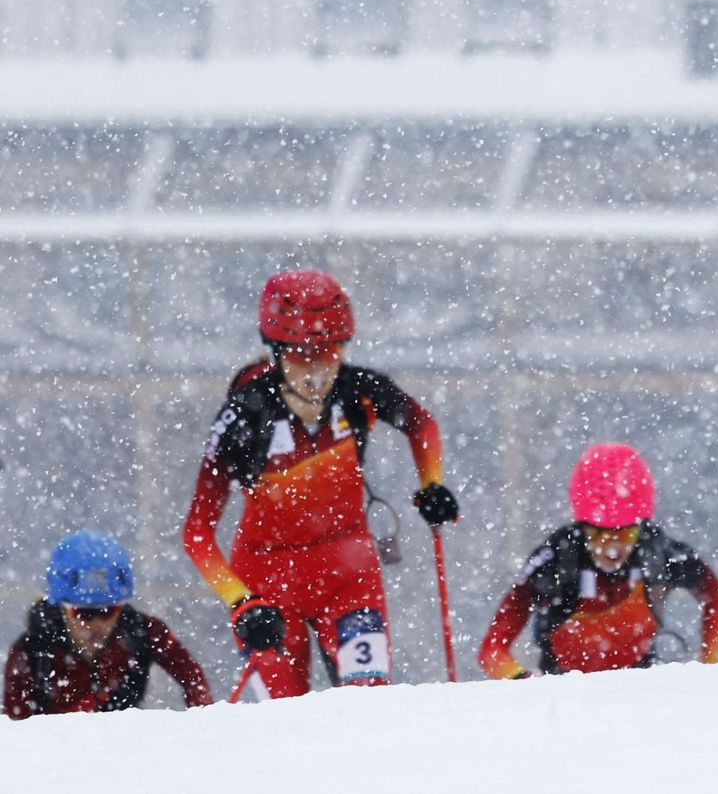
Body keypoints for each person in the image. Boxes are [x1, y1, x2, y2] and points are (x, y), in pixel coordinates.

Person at [183, 269, 459, 699]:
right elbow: (196, 532)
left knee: (369, 701)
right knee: (285, 719)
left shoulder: (358, 391)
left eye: (328, 355)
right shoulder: (243, 416)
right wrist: (241, 602)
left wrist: (433, 484)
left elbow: (422, 426)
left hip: (349, 575)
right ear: (275, 353)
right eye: (299, 357)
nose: (315, 373)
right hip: (266, 586)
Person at [478, 443, 718, 677]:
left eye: (626, 534)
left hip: (642, 691)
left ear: (640, 528)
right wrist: (529, 685)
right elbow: (492, 651)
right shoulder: (556, 558)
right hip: (566, 699)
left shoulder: (658, 551)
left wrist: (709, 669)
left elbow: (716, 598)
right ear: (582, 526)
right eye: (599, 535)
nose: (612, 549)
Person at [5, 531, 212, 719]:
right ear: (62, 609)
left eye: (108, 612)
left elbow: (193, 680)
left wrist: (202, 727)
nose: (97, 624)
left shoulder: (142, 632)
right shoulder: (32, 653)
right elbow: (18, 738)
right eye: (84, 613)